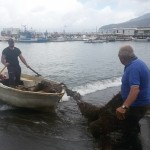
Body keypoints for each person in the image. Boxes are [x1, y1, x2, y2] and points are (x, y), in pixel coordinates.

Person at [116, 45, 150, 135]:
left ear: (122, 57)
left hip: (137, 105)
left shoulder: (133, 68)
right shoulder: (138, 62)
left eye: (119, 57)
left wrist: (124, 107)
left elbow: (135, 90)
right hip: (141, 103)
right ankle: (135, 131)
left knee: (127, 129)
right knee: (133, 124)